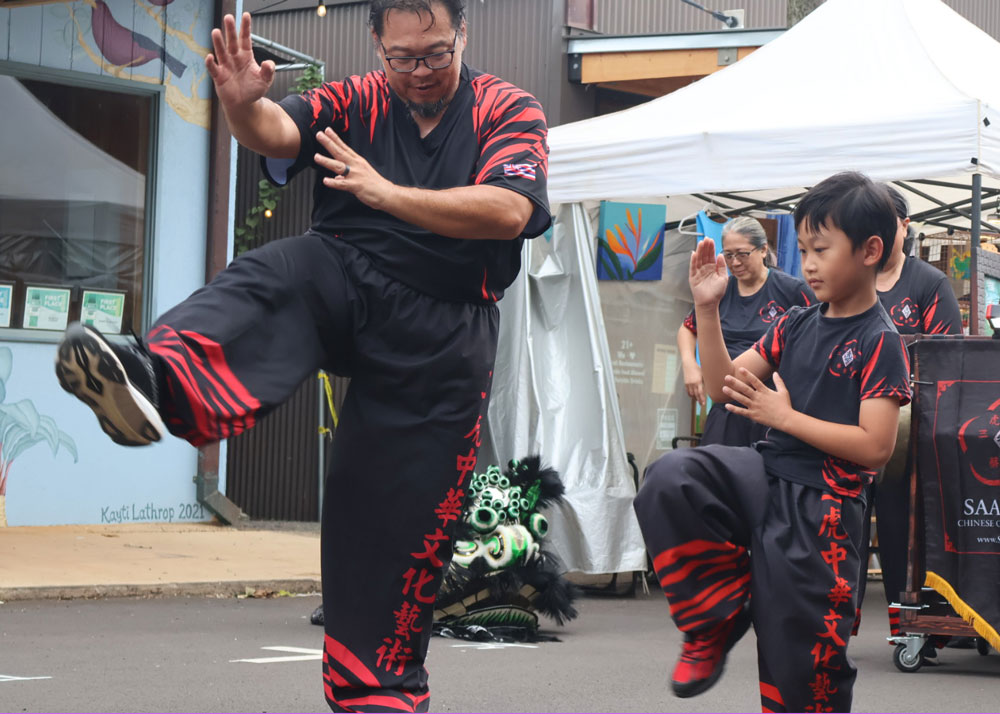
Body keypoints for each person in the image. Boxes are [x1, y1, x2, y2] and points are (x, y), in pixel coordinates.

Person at [53, 2, 550, 711]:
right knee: (277, 272)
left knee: (386, 521)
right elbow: (280, 132)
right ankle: (156, 378)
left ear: (463, 36)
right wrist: (240, 108)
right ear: (376, 42)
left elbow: (509, 209)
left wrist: (386, 193)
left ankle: (378, 697)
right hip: (347, 278)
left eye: (436, 54)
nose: (419, 72)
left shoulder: (508, 107)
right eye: (402, 56)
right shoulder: (356, 98)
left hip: (444, 335)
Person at [634, 172, 910, 712]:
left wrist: (783, 416)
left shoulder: (882, 341)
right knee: (671, 478)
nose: (807, 264)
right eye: (803, 249)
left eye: (821, 250)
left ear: (870, 250)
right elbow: (723, 388)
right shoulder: (796, 322)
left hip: (824, 513)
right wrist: (708, 311)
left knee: (801, 674)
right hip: (766, 478)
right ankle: (715, 619)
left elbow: (875, 447)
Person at [854, 185, 962, 643]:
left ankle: (908, 632)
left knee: (900, 533)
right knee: (847, 527)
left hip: (907, 433)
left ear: (903, 226)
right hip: (851, 425)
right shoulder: (853, 277)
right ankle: (836, 629)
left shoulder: (927, 283)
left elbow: (947, 357)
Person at [678, 216, 814, 446]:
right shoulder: (720, 291)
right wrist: (690, 364)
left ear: (762, 250)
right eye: (728, 255)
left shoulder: (791, 290)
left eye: (742, 254)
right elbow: (688, 328)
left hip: (770, 406)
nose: (735, 262)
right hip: (726, 403)